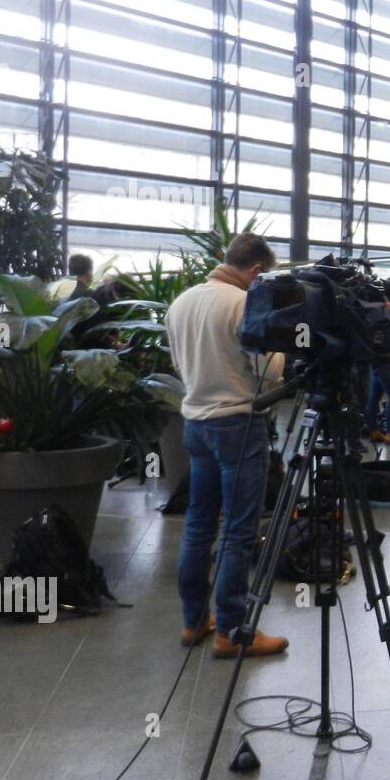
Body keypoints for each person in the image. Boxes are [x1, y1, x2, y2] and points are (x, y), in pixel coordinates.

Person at [165, 233, 289, 659]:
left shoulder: (181, 302)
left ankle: (194, 620)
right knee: (238, 530)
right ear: (255, 270)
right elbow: (268, 373)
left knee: (199, 525)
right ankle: (233, 630)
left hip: (195, 424)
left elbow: (178, 365)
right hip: (237, 424)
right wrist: (281, 348)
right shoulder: (243, 304)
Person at [365, 345, 390, 447]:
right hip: (384, 363)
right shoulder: (384, 329)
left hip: (377, 362)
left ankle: (374, 430)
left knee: (374, 397)